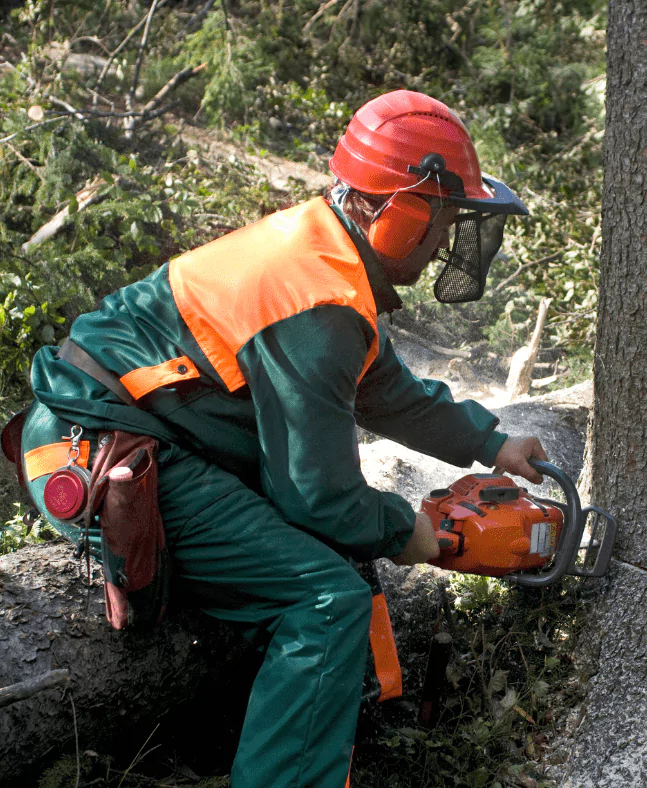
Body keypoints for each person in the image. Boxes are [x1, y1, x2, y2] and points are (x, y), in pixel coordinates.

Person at [17, 89, 548, 787]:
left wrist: (492, 442)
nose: (446, 240)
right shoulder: (319, 303)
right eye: (443, 219)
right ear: (402, 210)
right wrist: (408, 530)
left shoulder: (322, 256)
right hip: (107, 452)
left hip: (129, 434)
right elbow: (319, 498)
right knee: (325, 601)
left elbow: (386, 391)